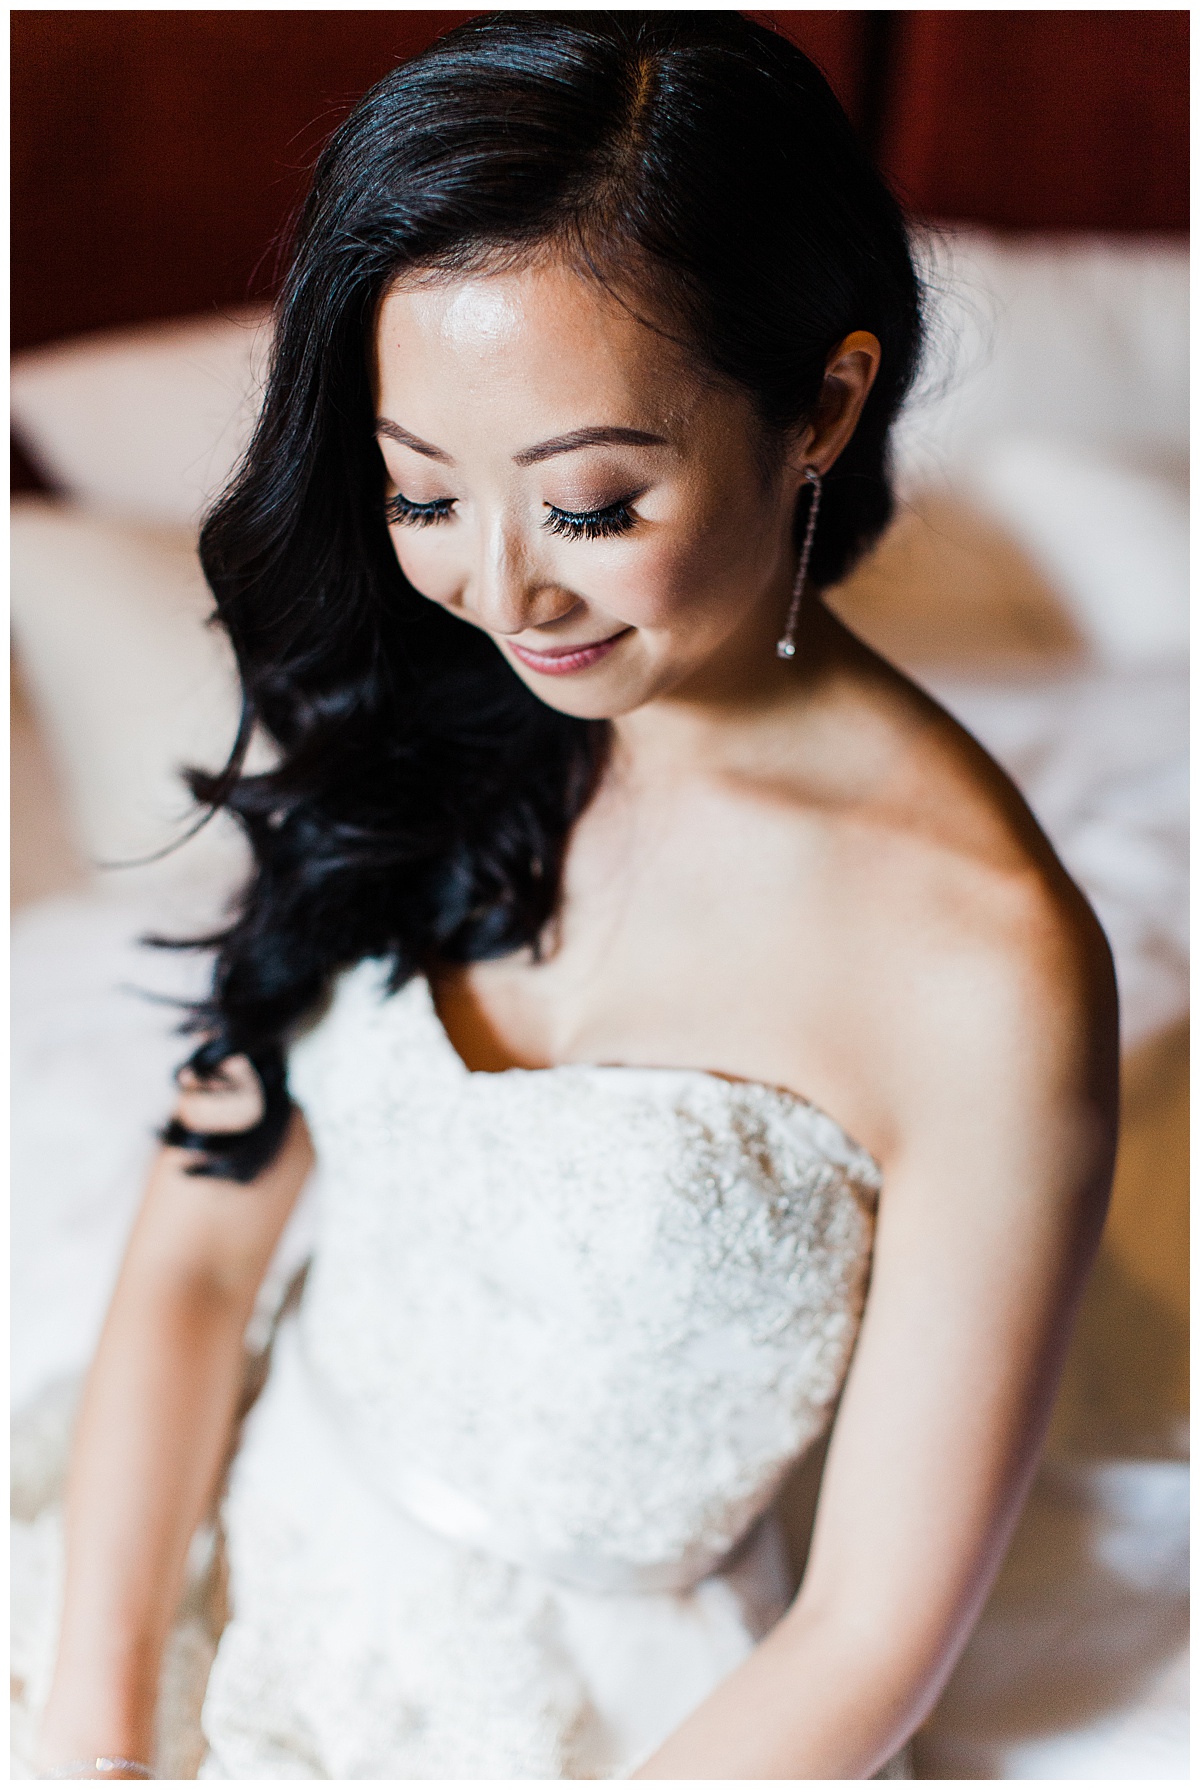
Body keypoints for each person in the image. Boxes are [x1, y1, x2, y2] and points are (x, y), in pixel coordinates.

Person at [32, 12, 1117, 1781]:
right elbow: (197, 1256)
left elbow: (869, 1638)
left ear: (824, 405)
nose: (507, 592)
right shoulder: (430, 701)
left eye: (596, 504)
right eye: (421, 495)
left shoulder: (980, 964)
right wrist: (98, 1726)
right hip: (209, 1530)